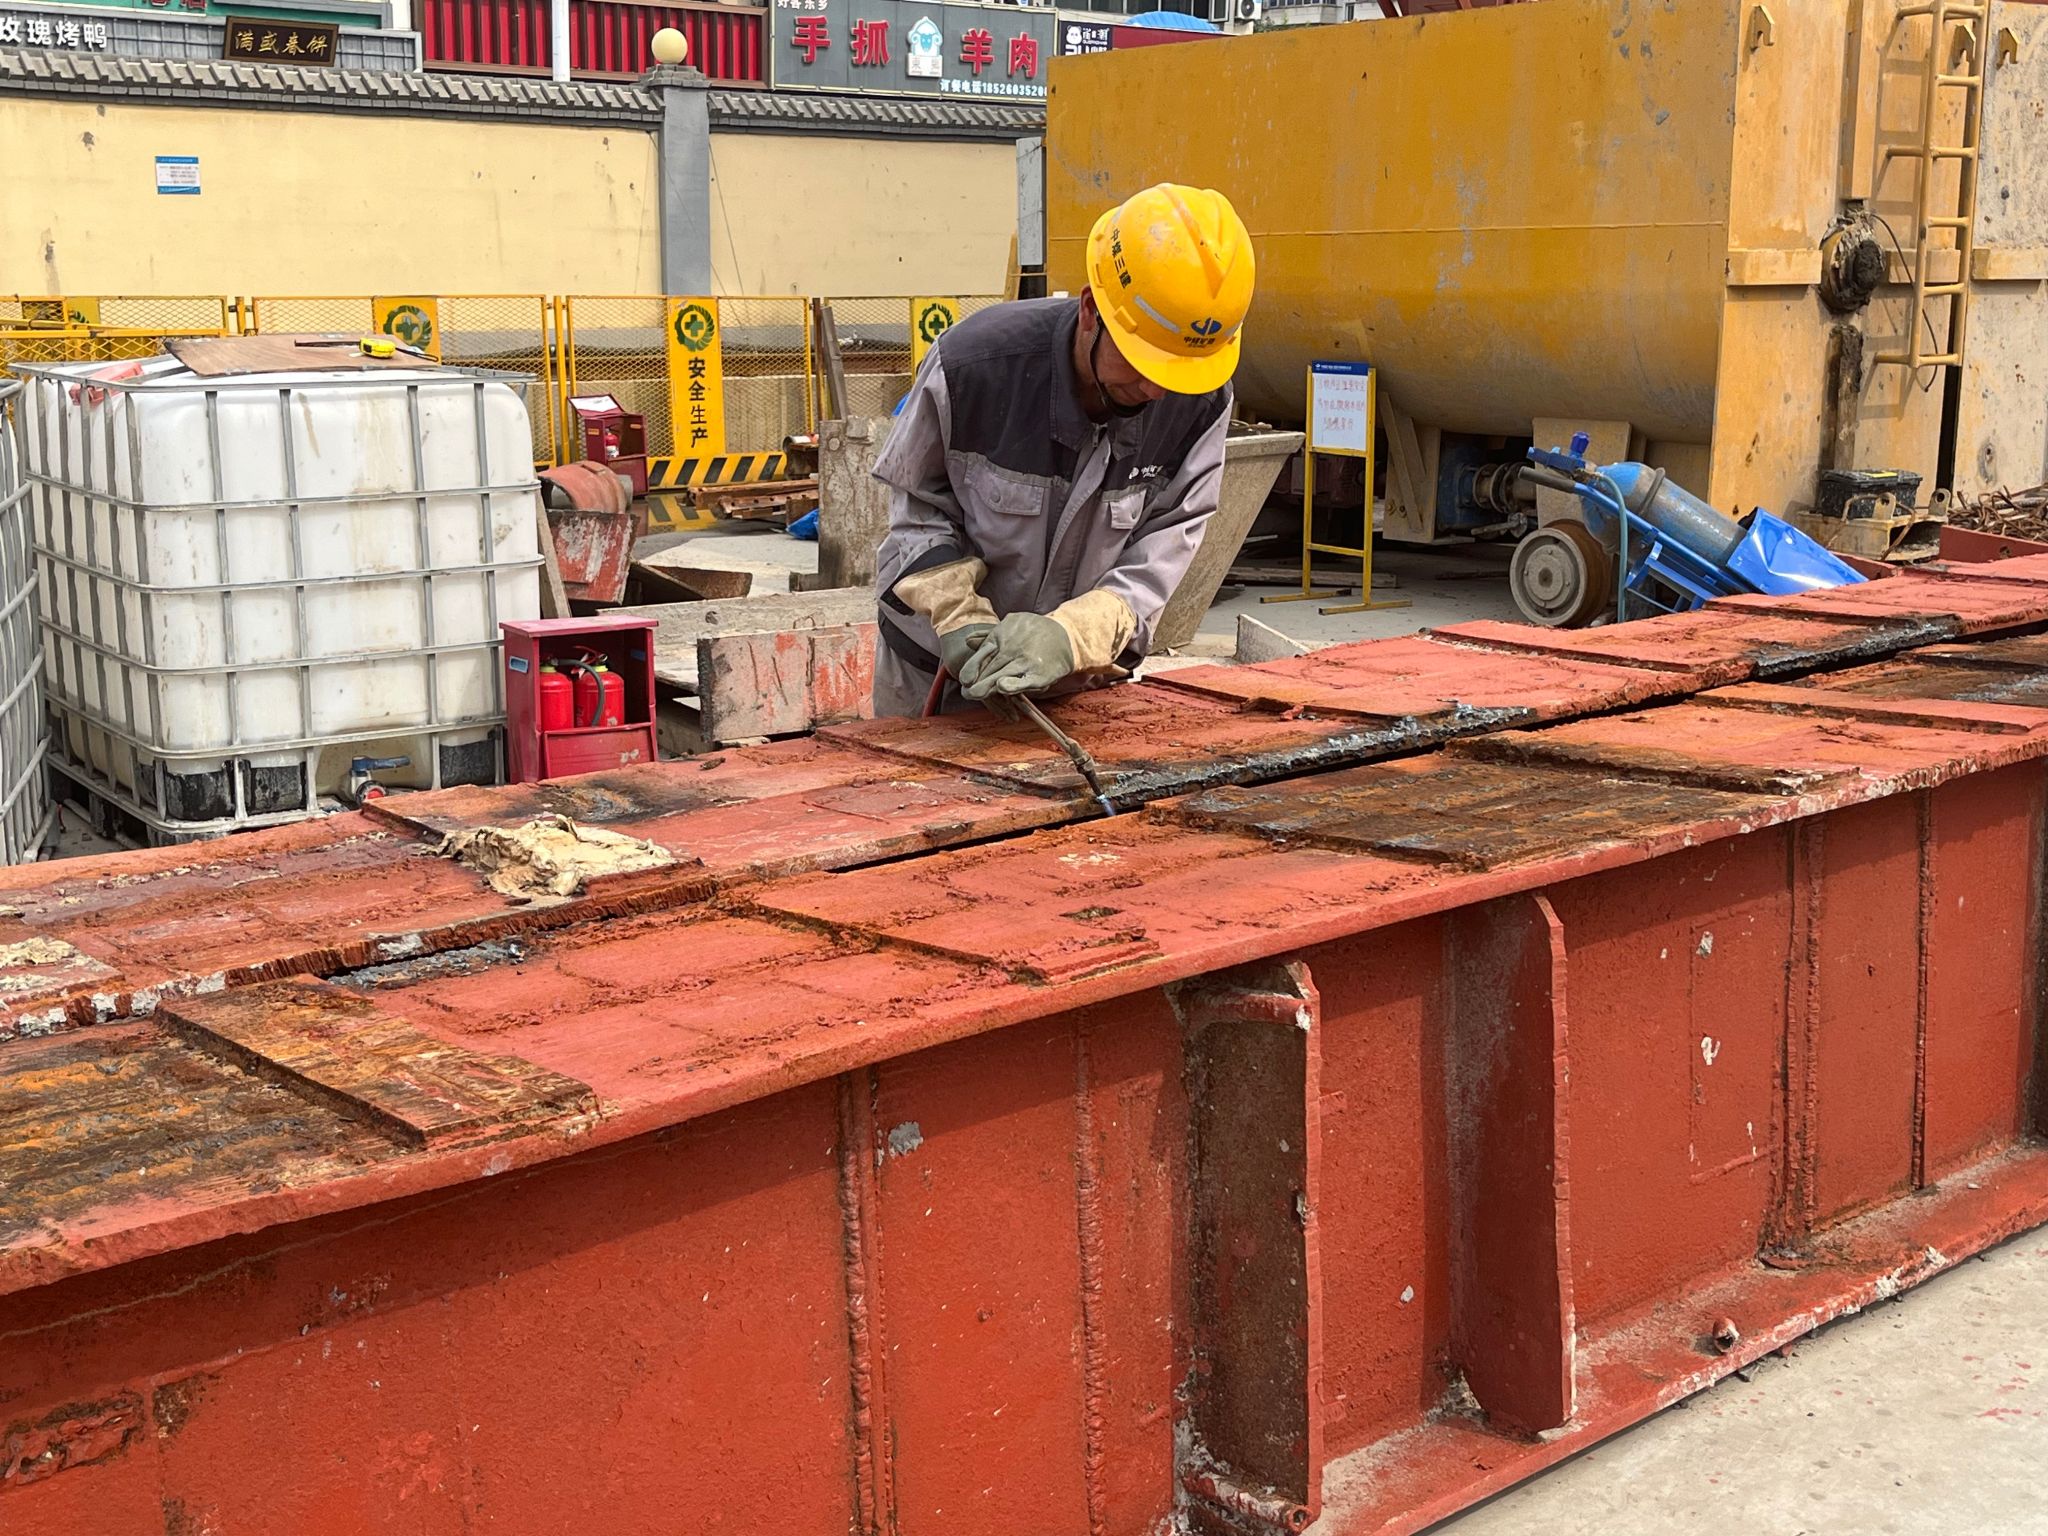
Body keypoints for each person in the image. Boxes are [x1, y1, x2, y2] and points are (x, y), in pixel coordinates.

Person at [870, 183, 1255, 716]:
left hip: (1074, 684)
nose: (1156, 390)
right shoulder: (972, 367)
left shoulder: (1200, 403)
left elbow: (1168, 539)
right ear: (1092, 310)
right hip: (934, 670)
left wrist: (1075, 635)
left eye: (1179, 371)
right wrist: (958, 616)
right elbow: (916, 507)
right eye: (1142, 361)